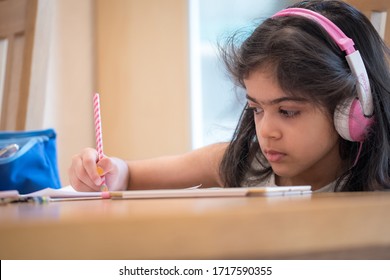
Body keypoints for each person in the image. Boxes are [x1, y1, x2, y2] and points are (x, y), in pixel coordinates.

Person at [69, 0, 390, 192]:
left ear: (354, 111)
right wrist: (110, 173)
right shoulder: (246, 163)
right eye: (256, 108)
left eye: (288, 111)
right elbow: (130, 175)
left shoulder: (376, 192)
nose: (266, 131)